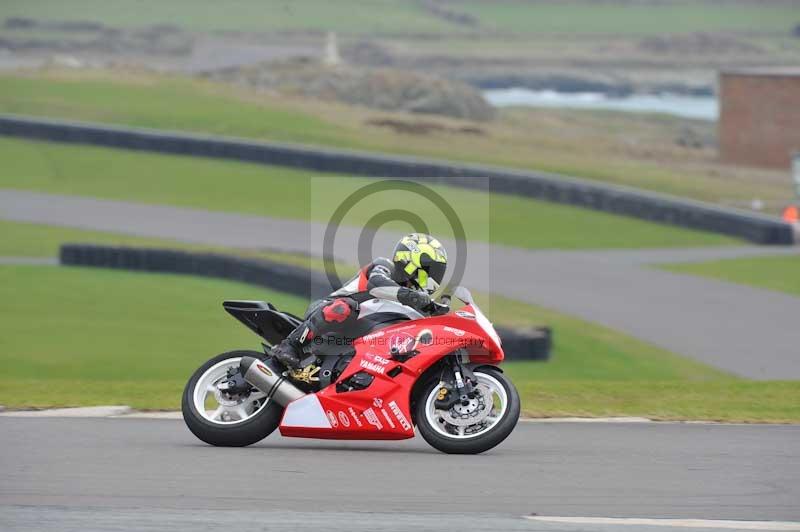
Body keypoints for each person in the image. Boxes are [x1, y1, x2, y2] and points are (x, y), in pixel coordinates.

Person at [271, 233, 448, 369]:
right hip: (330, 312)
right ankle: (290, 345)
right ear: (411, 260)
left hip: (362, 334)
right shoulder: (385, 266)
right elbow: (377, 283)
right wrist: (419, 299)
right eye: (430, 269)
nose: (434, 276)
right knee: (343, 308)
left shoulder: (417, 302)